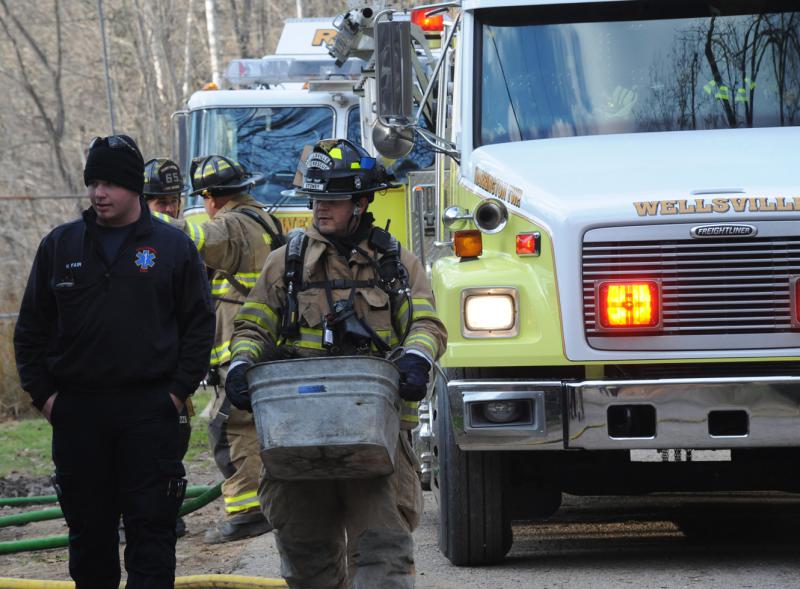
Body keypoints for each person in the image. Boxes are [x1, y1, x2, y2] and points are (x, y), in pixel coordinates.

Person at [225, 138, 447, 588]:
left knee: (383, 555)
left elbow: (426, 324)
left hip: (376, 441)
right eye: (316, 198)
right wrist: (240, 366)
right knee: (308, 560)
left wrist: (417, 360)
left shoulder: (395, 265)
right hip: (296, 441)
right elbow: (253, 327)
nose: (320, 208)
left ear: (362, 202)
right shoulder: (284, 264)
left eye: (333, 199)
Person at [13, 134, 215, 588]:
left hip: (150, 411)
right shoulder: (61, 247)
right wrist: (47, 399)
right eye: (93, 182)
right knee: (88, 537)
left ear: (134, 189)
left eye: (110, 184)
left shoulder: (171, 248)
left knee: (151, 534)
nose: (98, 193)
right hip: (78, 413)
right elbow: (30, 331)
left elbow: (199, 327)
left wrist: (175, 393)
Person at [152, 154, 282, 544]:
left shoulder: (229, 226)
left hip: (240, 341)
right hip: (265, 340)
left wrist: (142, 217)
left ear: (212, 197)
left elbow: (188, 239)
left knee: (229, 426)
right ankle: (265, 503)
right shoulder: (265, 220)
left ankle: (247, 512)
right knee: (253, 425)